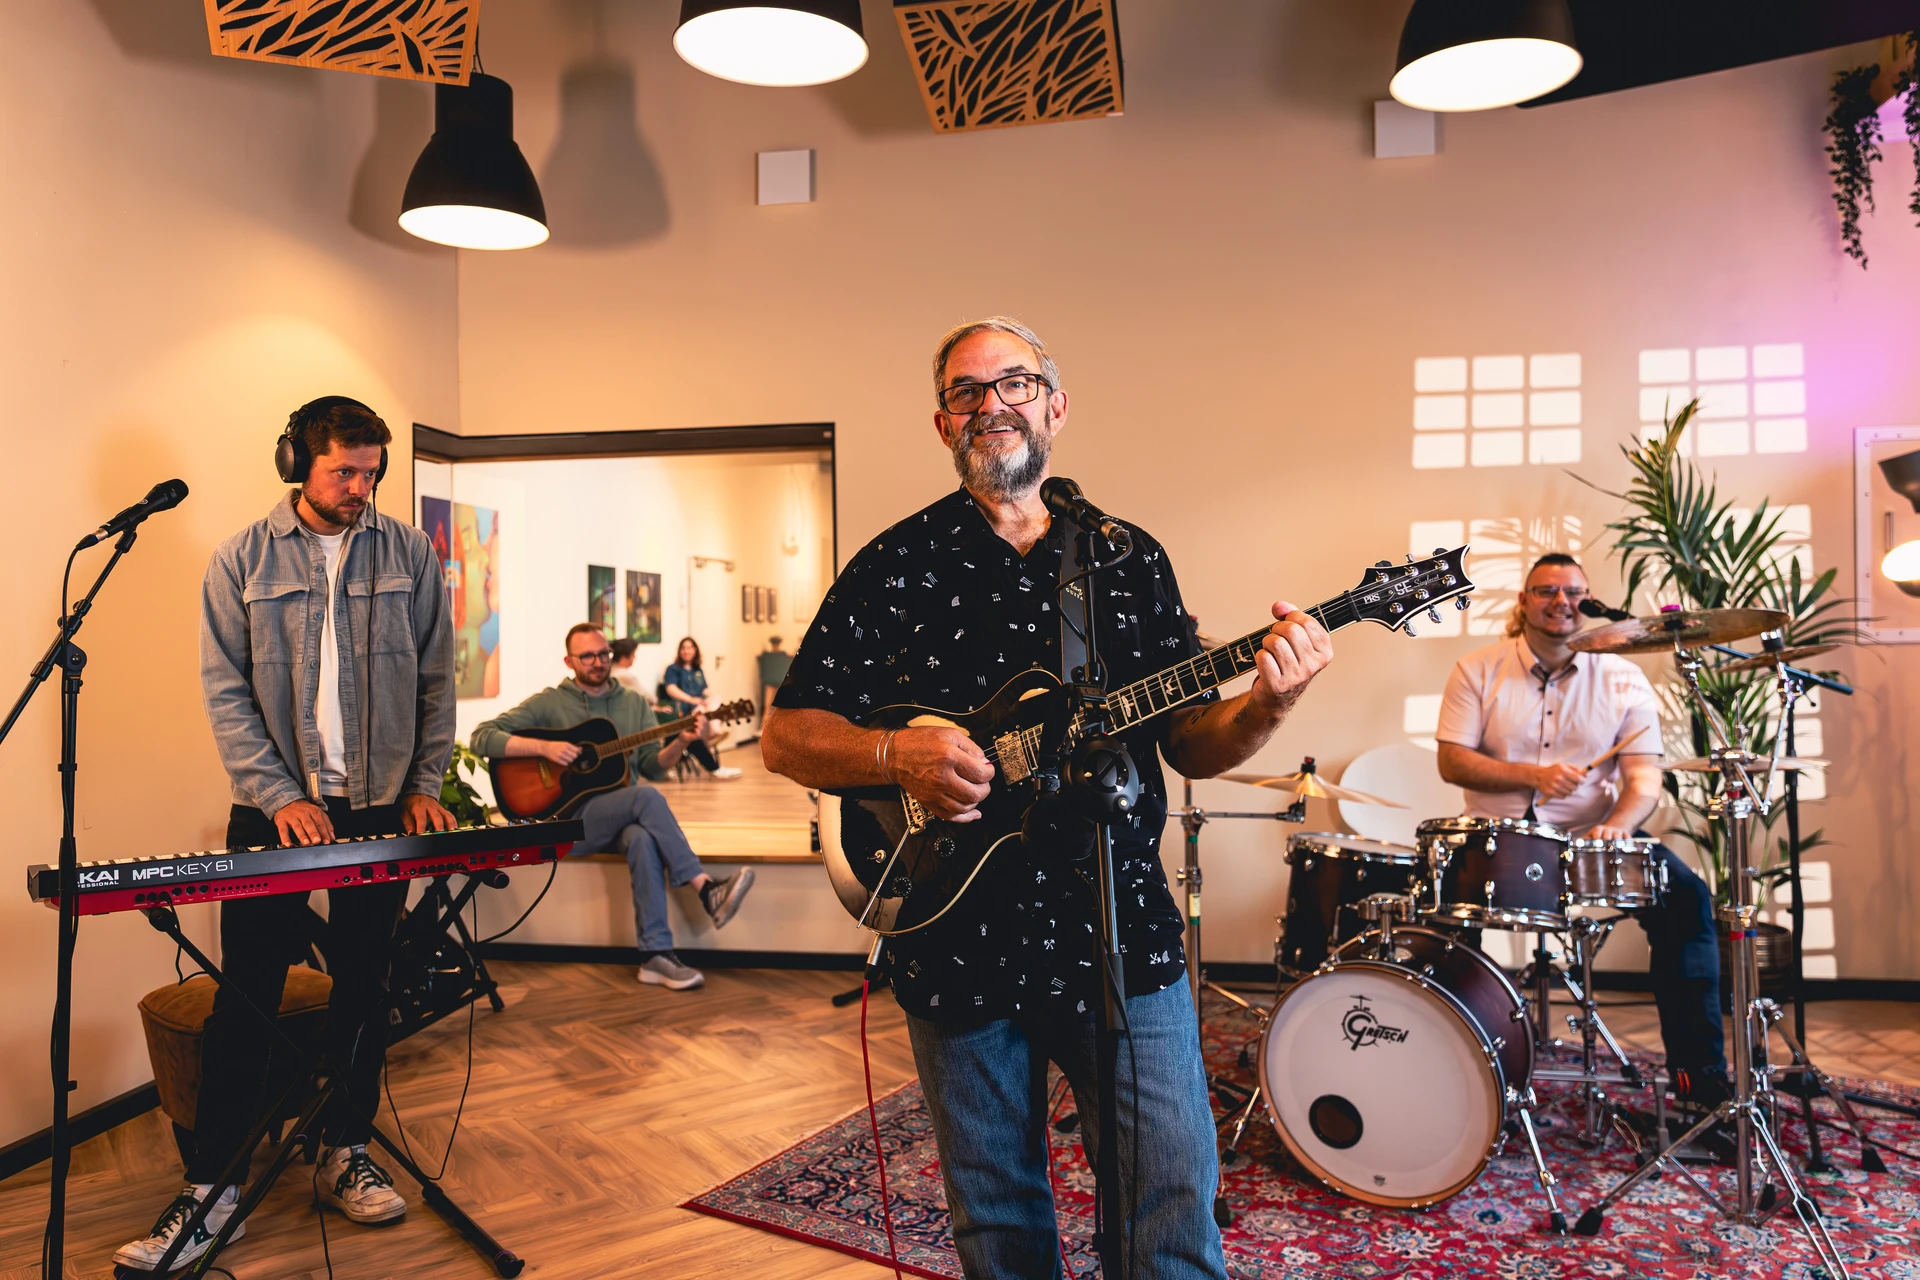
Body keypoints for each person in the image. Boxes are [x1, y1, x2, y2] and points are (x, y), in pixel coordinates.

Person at [761, 317, 1332, 1279]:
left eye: (1014, 384)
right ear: (942, 424)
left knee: (1170, 1199)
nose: (992, 405)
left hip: (1116, 924)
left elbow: (1192, 739)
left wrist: (1270, 704)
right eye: (967, 392)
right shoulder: (893, 566)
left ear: (1055, 407)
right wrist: (895, 752)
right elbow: (786, 733)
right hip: (953, 932)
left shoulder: (1127, 559)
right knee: (996, 1215)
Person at [117, 397, 459, 1273]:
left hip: (381, 806)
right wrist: (277, 795)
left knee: (362, 983)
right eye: (345, 471)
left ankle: (346, 1149)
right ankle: (214, 1184)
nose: (361, 488)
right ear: (295, 464)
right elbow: (225, 692)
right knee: (249, 992)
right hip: (272, 813)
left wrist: (423, 786)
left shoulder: (410, 553)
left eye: (372, 472)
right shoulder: (239, 558)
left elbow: (435, 679)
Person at [1434, 552, 1730, 1110]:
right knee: (1447, 925)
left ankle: (1701, 1084)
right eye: (1546, 591)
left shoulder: (1623, 676)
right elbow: (1452, 762)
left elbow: (1644, 777)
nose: (1561, 603)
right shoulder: (1476, 668)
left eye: (1573, 593)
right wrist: (1533, 775)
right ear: (1523, 603)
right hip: (1498, 839)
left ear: (1588, 602)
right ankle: (1453, 1073)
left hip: (1594, 839)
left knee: (1688, 902)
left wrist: (1617, 826)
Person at [471, 623, 756, 990]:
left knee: (642, 838)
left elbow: (654, 766)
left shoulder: (633, 702)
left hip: (620, 817)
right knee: (647, 798)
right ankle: (705, 888)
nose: (597, 662)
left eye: (603, 654)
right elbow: (482, 736)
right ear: (569, 660)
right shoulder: (549, 702)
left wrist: (682, 743)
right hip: (567, 819)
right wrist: (544, 749)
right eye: (586, 655)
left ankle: (655, 956)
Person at [661, 635, 742, 779]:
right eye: (683, 648)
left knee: (714, 699)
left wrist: (708, 698)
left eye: (690, 648)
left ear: (695, 651)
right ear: (679, 651)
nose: (686, 651)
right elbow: (671, 689)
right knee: (701, 717)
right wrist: (691, 699)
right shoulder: (673, 669)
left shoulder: (698, 670)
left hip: (700, 708)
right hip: (685, 710)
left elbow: (705, 690)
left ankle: (711, 727)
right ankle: (713, 734)